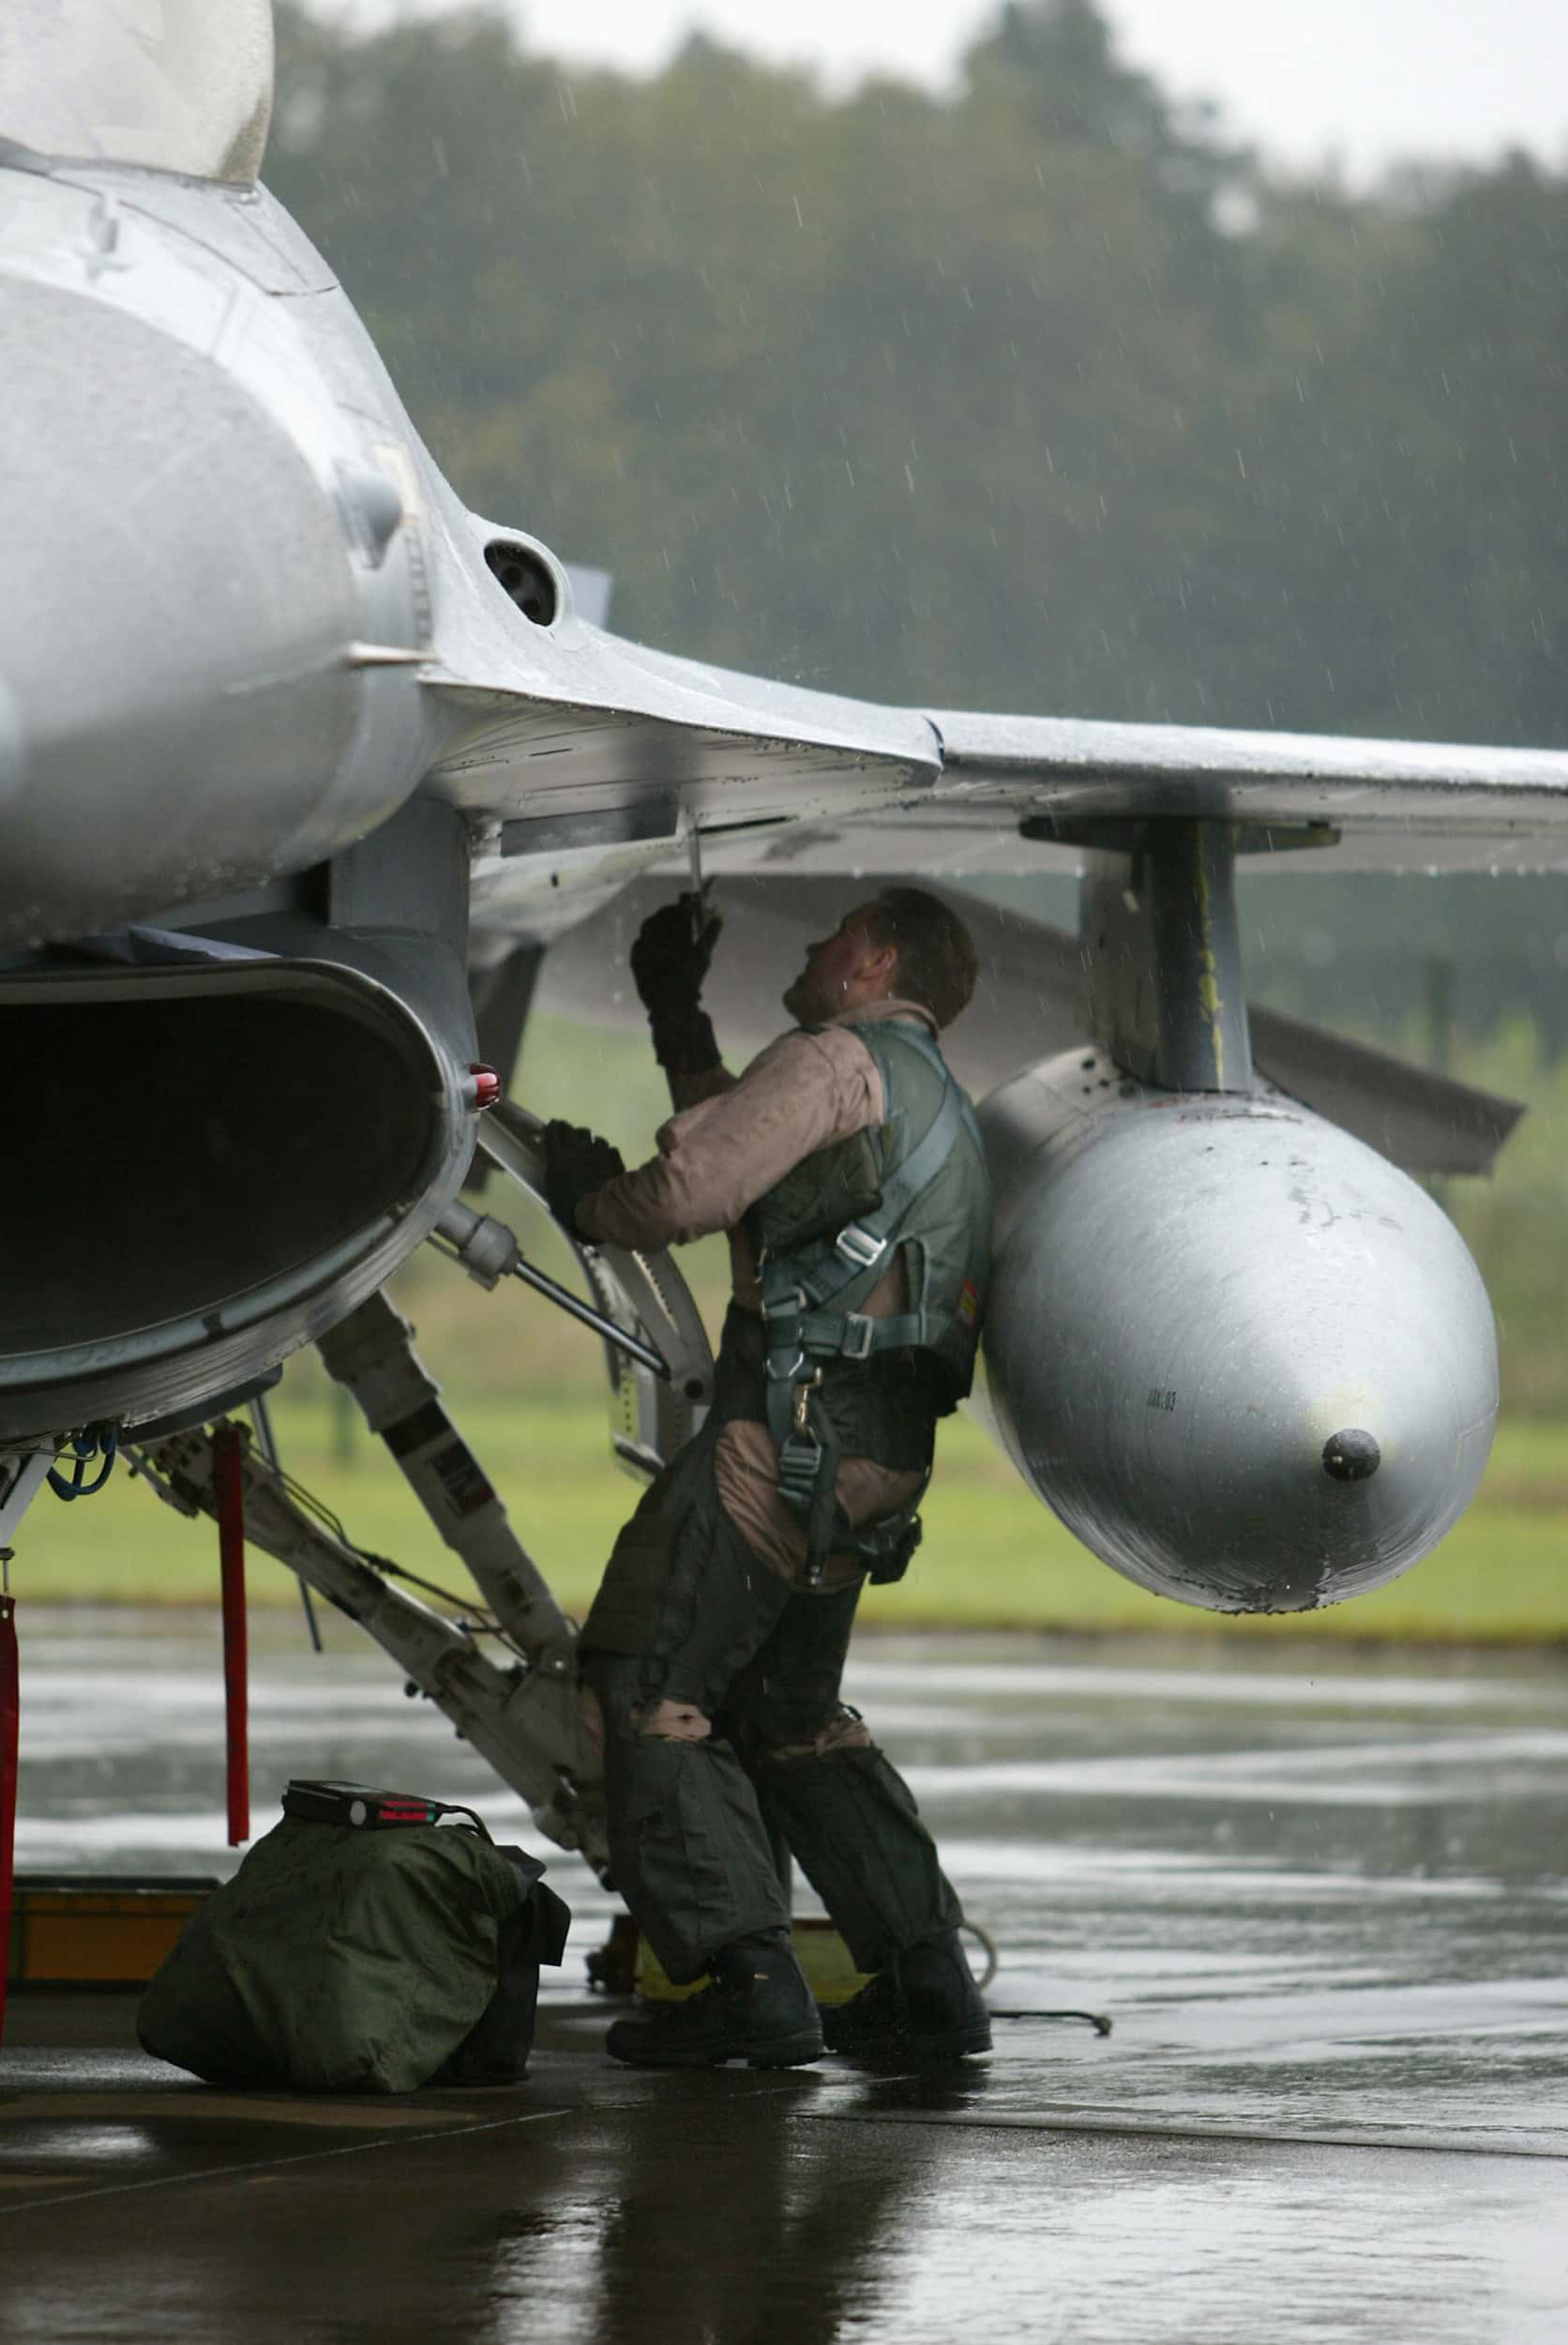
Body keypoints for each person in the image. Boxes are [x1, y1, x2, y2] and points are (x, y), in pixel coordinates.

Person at [544, 885, 993, 2069]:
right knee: (788, 1719)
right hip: (865, 1466)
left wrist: (584, 1201)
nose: (810, 946)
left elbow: (694, 1191)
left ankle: (747, 1982)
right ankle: (924, 1980)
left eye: (834, 935)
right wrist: (675, 1012)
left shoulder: (833, 1059)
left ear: (875, 961)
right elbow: (755, 1151)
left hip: (774, 1451)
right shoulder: (927, 1091)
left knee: (649, 1682)